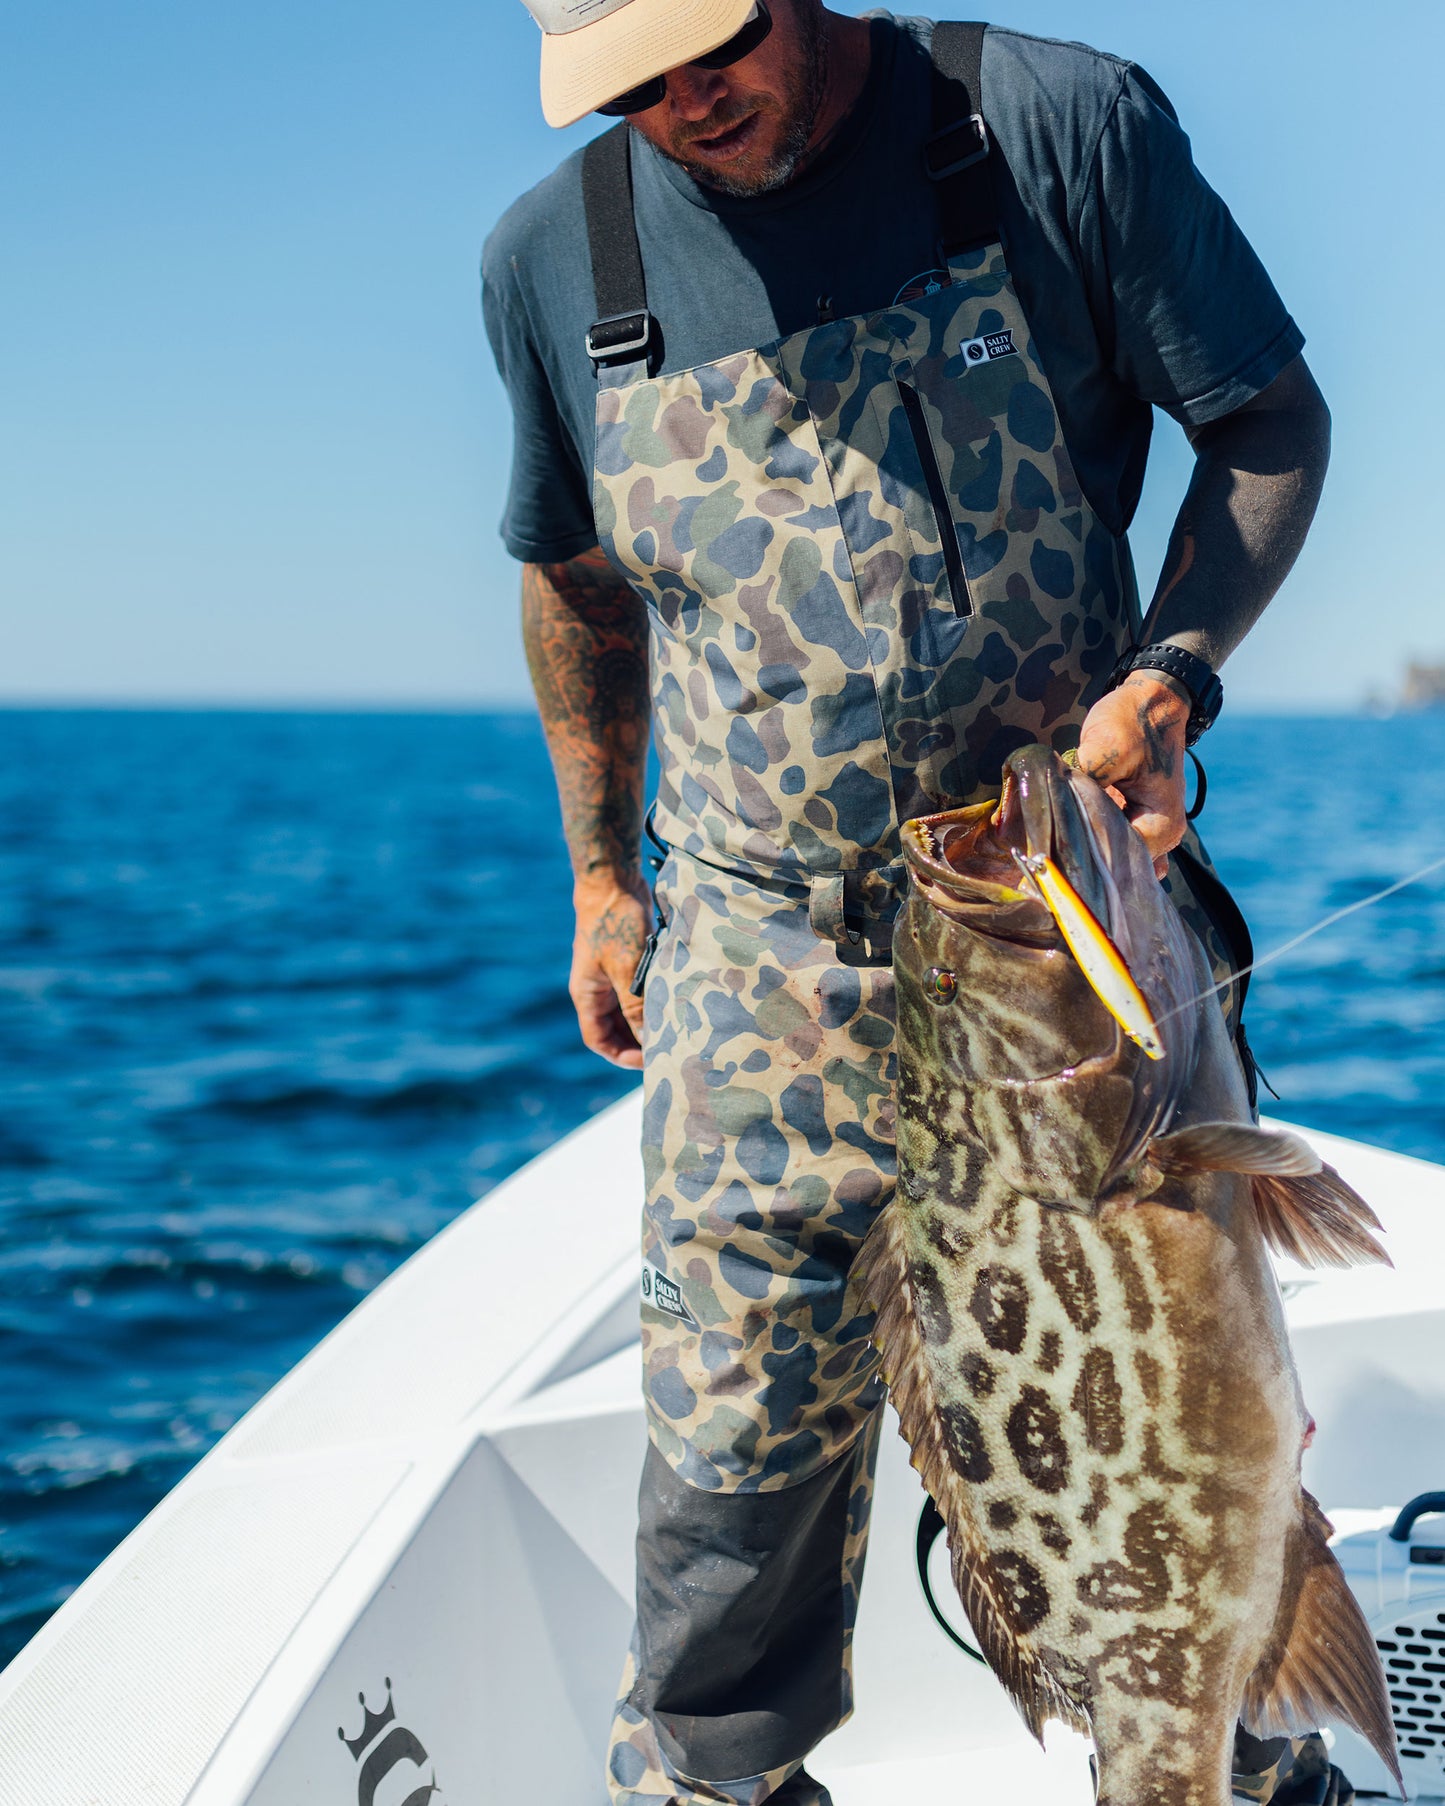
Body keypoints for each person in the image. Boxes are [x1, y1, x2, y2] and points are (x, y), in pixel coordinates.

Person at [483, 5, 1343, 1802]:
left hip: (1054, 937)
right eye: (627, 81)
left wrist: (1174, 668)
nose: (677, 102)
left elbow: (1264, 419)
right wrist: (596, 873)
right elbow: (573, 584)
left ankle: (1227, 1761)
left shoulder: (1054, 127)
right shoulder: (552, 260)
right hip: (756, 971)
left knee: (1155, 1395)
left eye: (703, 44)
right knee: (722, 1492)